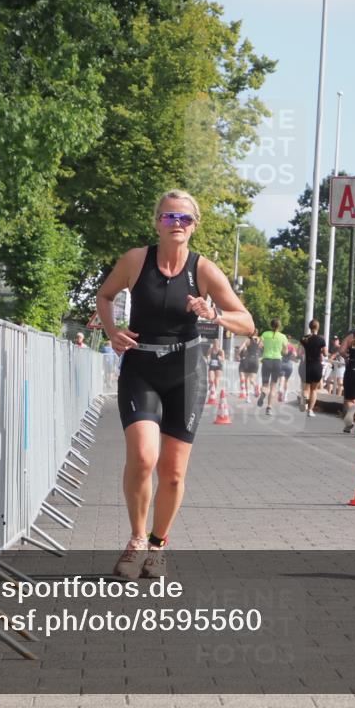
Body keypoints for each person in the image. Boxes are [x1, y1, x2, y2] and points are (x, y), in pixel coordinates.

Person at [96, 190, 254, 579]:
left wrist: (213, 313)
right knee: (143, 457)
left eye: (184, 219)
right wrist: (112, 330)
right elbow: (105, 295)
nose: (177, 224)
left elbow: (247, 322)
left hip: (186, 371)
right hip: (141, 367)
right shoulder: (136, 260)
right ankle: (135, 541)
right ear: (157, 222)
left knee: (173, 472)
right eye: (169, 218)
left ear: (195, 225)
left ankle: (158, 545)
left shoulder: (203, 270)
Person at [257, 319, 287, 416]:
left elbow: (260, 345)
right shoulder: (283, 336)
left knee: (265, 384)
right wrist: (279, 350)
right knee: (273, 386)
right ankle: (269, 408)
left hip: (267, 361)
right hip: (277, 361)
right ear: (279, 326)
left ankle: (263, 393)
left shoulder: (265, 334)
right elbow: (285, 351)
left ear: (271, 325)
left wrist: (266, 349)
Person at [300, 319, 327, 416]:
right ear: (318, 327)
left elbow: (300, 353)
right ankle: (310, 410)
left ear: (309, 327)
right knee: (314, 389)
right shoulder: (321, 339)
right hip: (316, 366)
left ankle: (304, 402)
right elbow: (325, 353)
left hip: (306, 365)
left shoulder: (304, 339)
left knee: (306, 388)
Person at [238, 335, 262, 400]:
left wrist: (238, 355)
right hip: (256, 360)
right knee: (252, 380)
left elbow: (240, 349)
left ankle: (247, 396)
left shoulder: (248, 340)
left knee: (246, 379)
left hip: (248, 360)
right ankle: (255, 385)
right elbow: (263, 348)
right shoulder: (259, 340)